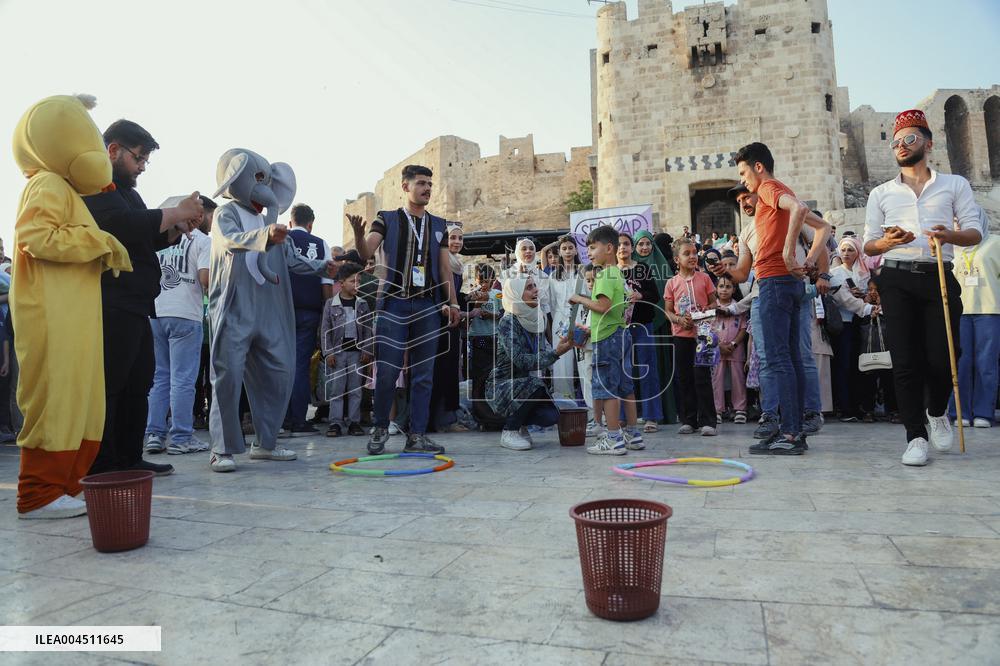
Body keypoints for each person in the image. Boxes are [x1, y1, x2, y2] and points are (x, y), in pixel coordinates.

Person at [11, 95, 132, 518]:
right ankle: (38, 493)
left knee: (81, 400)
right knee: (56, 399)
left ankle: (66, 485)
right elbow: (37, 237)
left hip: (72, 318)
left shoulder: (64, 190)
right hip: (50, 317)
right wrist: (99, 242)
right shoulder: (46, 183)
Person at [84, 119, 203, 477]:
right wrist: (175, 213)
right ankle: (104, 462)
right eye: (139, 158)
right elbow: (118, 225)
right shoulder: (95, 188)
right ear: (113, 150)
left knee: (139, 383)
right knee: (113, 384)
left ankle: (129, 457)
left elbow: (142, 237)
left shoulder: (128, 193)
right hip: (112, 303)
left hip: (139, 307)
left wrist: (176, 230)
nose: (141, 167)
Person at [863, 109, 982, 466]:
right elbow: (869, 244)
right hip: (896, 276)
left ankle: (936, 411)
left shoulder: (955, 184)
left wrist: (949, 235)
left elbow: (974, 232)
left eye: (909, 139)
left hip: (938, 274)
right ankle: (915, 435)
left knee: (945, 354)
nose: (901, 146)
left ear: (928, 143)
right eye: (896, 142)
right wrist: (886, 244)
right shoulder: (881, 193)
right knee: (905, 360)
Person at [206, 148, 337, 473]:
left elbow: (292, 260)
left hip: (268, 310)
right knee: (228, 375)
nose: (263, 185)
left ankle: (265, 443)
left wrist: (324, 266)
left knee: (279, 373)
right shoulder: (227, 214)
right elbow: (231, 240)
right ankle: (221, 448)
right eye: (258, 177)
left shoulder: (271, 221)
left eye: (266, 178)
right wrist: (265, 235)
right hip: (235, 308)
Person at [347, 165, 460, 456]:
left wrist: (454, 302)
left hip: (427, 305)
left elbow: (445, 268)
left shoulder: (439, 225)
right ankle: (380, 428)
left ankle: (417, 435)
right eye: (421, 183)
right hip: (394, 303)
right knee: (387, 371)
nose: (427, 188)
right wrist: (359, 236)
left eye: (430, 184)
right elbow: (365, 253)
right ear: (405, 186)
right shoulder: (386, 219)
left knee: (424, 374)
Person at [732, 142, 833, 455]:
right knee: (788, 359)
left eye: (743, 172)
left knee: (777, 360)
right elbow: (824, 227)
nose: (744, 180)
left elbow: (803, 212)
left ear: (758, 167)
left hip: (775, 281)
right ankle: (795, 430)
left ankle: (789, 434)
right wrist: (806, 262)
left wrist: (790, 253)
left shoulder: (767, 189)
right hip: (787, 281)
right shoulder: (778, 190)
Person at [144, 195, 216, 456]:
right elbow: (205, 279)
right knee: (184, 379)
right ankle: (181, 437)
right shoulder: (203, 241)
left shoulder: (160, 237)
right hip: (185, 314)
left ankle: (154, 434)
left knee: (159, 377)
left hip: (156, 311)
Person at [569, 226, 641, 454]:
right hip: (621, 335)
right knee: (625, 386)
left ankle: (613, 439)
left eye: (592, 248)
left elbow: (603, 306)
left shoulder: (604, 275)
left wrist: (579, 298)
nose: (588, 253)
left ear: (609, 248)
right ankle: (632, 433)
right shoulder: (617, 273)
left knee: (607, 389)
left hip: (607, 338)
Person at [487, 276, 578, 450]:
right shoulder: (508, 322)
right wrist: (556, 353)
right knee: (536, 385)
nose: (536, 290)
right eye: (529, 287)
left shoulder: (536, 319)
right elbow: (521, 361)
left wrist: (561, 345)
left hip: (524, 386)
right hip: (501, 387)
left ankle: (520, 426)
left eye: (535, 286)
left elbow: (540, 353)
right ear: (515, 294)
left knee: (551, 415)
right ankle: (509, 431)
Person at [279, 203, 336, 437]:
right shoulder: (321, 244)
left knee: (280, 365)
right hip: (309, 312)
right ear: (311, 224)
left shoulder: (281, 240)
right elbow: (326, 284)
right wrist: (326, 315)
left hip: (281, 311)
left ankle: (280, 418)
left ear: (291, 222)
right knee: (300, 366)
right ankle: (298, 419)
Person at [664, 237, 718, 435]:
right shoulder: (671, 283)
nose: (693, 256)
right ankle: (688, 419)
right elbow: (668, 311)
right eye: (687, 253)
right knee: (684, 377)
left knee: (701, 376)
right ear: (677, 259)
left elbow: (714, 304)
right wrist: (679, 320)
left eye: (695, 253)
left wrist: (701, 314)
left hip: (702, 336)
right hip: (681, 336)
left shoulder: (704, 279)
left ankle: (708, 421)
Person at [950, 221, 999, 428]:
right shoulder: (952, 246)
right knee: (960, 363)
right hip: (960, 311)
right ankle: (959, 412)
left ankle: (984, 412)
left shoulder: (995, 242)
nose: (959, 225)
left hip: (989, 310)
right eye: (956, 222)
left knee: (986, 363)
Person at [828, 235, 878, 421]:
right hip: (844, 324)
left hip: (863, 324)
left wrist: (865, 297)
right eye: (843, 250)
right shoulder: (835, 274)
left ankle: (861, 406)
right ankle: (845, 407)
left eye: (850, 250)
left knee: (862, 367)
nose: (846, 253)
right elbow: (841, 299)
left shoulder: (864, 273)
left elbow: (872, 294)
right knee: (844, 365)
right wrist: (857, 300)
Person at [321, 263, 373, 437]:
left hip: (356, 355)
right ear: (341, 283)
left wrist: (367, 350)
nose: (356, 284)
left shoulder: (363, 304)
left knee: (355, 389)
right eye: (352, 281)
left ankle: (354, 422)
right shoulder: (331, 304)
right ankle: (335, 423)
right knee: (337, 389)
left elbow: (367, 330)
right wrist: (328, 353)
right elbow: (325, 331)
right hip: (338, 354)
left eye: (358, 280)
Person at [631, 230, 674, 428]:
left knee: (660, 368)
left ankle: (663, 411)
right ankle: (638, 412)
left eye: (648, 243)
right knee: (637, 369)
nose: (645, 247)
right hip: (637, 325)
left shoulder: (663, 267)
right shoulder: (630, 267)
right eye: (640, 244)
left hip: (660, 324)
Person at [429, 224, 468, 432]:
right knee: (438, 370)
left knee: (451, 369)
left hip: (452, 323)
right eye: (452, 238)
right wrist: (443, 306)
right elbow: (435, 291)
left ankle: (449, 419)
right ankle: (435, 420)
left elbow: (456, 295)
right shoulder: (439, 263)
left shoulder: (457, 264)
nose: (456, 242)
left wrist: (468, 300)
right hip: (438, 321)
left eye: (460, 239)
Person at [548, 236, 581, 401]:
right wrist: (561, 324)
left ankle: (593, 411)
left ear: (576, 250)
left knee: (584, 364)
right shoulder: (553, 276)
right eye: (564, 248)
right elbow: (552, 304)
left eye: (570, 247)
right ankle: (565, 405)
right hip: (560, 322)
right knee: (562, 366)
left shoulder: (584, 272)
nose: (568, 251)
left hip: (582, 322)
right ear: (559, 252)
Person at [712, 275, 748, 423]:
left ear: (734, 289)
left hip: (735, 348)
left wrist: (733, 344)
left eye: (728, 287)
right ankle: (717, 409)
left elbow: (743, 329)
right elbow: (708, 328)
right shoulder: (712, 307)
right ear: (716, 288)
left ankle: (740, 409)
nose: (724, 290)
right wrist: (718, 345)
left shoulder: (739, 307)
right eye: (721, 286)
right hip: (717, 349)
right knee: (717, 378)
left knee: (737, 378)